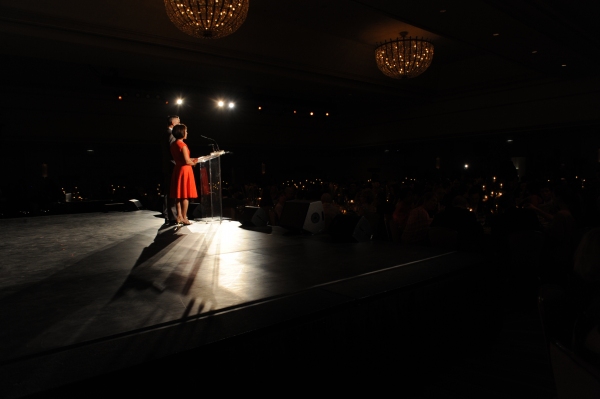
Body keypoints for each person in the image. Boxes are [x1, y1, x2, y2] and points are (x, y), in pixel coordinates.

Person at [170, 124, 199, 225]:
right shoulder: (183, 145)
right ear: (181, 132)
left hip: (178, 169)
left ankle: (179, 216)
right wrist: (195, 162)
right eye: (186, 131)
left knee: (178, 195)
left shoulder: (174, 144)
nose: (187, 133)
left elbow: (181, 159)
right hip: (185, 170)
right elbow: (187, 161)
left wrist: (193, 160)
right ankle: (185, 217)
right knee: (185, 195)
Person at [162, 115, 180, 225]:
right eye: (178, 122)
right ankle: (172, 216)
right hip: (172, 165)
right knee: (172, 191)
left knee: (167, 192)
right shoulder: (171, 134)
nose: (180, 123)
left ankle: (167, 215)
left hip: (166, 165)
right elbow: (174, 151)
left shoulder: (165, 133)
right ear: (173, 123)